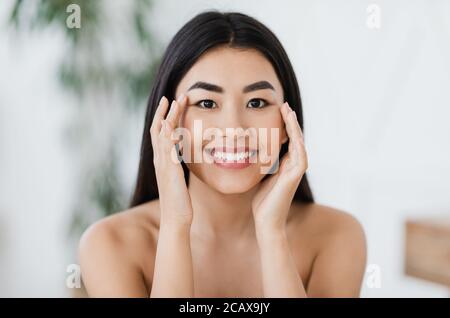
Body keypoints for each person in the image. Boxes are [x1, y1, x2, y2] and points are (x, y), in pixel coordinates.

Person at [78, 11, 367, 298]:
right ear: (169, 123)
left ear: (286, 125)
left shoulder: (338, 237)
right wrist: (175, 226)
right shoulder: (109, 244)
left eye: (256, 102)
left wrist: (271, 233)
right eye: (206, 102)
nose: (233, 129)